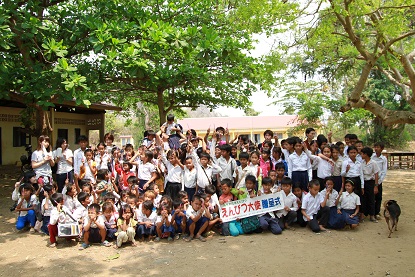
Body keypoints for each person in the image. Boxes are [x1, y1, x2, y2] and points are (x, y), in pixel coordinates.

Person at [361, 146, 380, 223]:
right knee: (363, 198)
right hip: (364, 182)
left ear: (366, 154)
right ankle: (363, 214)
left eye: (362, 154)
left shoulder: (373, 163)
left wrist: (376, 186)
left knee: (371, 199)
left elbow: (376, 174)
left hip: (371, 182)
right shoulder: (362, 163)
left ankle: (372, 215)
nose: (361, 155)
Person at [372, 142, 387, 220]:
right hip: (372, 179)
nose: (376, 149)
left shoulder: (383, 159)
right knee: (371, 197)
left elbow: (384, 171)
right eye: (375, 147)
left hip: (379, 181)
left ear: (382, 149)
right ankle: (372, 212)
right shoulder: (372, 157)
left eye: (378, 147)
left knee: (378, 197)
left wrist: (378, 182)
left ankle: (377, 212)